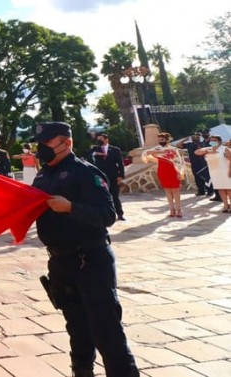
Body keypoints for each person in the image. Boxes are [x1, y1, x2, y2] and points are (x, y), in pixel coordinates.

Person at [31, 122, 139, 377]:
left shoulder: (85, 173)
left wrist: (71, 207)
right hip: (61, 262)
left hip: (90, 260)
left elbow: (107, 215)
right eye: (39, 144)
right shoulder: (43, 175)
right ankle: (81, 371)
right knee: (77, 328)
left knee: (106, 330)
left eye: (46, 144)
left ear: (66, 143)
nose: (41, 149)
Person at [142, 132, 185, 217]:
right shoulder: (156, 149)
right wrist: (151, 154)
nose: (160, 141)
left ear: (167, 140)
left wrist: (179, 171)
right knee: (167, 191)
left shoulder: (173, 149)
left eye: (162, 140)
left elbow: (179, 161)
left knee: (175, 191)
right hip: (162, 171)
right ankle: (172, 210)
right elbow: (146, 154)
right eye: (159, 140)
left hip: (173, 170)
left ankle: (179, 209)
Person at [89, 133, 126, 221]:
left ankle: (120, 214)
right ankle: (105, 214)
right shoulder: (95, 149)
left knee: (115, 196)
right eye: (99, 139)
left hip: (113, 176)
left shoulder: (115, 150)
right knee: (102, 195)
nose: (100, 141)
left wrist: (121, 175)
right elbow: (87, 156)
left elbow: (120, 163)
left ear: (106, 139)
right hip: (100, 176)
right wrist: (94, 153)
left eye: (101, 139)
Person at [195, 135, 231, 212]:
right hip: (215, 172)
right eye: (211, 140)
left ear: (219, 141)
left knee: (229, 189)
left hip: (226, 171)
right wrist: (208, 151)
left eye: (214, 140)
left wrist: (230, 170)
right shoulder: (208, 149)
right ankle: (225, 205)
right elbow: (196, 152)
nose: (212, 142)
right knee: (220, 189)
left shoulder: (225, 149)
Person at [177, 132, 212, 197]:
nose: (195, 138)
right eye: (193, 136)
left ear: (199, 137)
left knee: (206, 177)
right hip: (194, 163)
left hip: (203, 163)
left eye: (197, 136)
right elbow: (178, 145)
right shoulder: (189, 144)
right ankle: (201, 191)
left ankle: (210, 191)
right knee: (197, 177)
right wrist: (185, 138)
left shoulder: (202, 143)